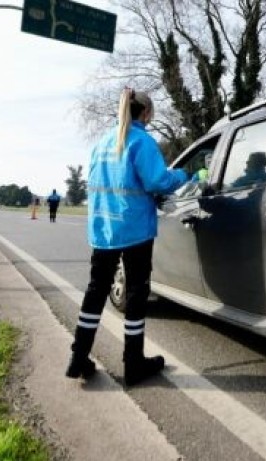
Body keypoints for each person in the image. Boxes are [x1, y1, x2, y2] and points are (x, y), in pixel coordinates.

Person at [66, 88, 190, 386]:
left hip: (103, 230)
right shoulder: (142, 142)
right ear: (145, 113)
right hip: (134, 229)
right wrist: (186, 176)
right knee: (136, 295)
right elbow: (158, 181)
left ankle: (78, 357)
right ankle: (133, 363)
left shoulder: (102, 143)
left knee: (96, 292)